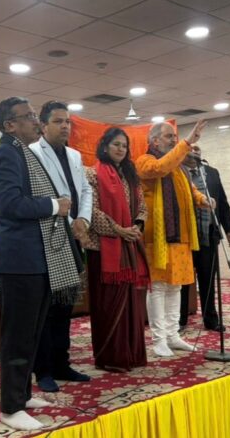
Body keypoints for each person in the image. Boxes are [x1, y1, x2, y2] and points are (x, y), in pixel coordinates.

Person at [0, 97, 82, 431]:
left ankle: (22, 395)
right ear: (10, 125)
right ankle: (10, 408)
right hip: (18, 260)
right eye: (27, 117)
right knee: (17, 336)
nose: (35, 122)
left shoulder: (23, 152)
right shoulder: (5, 154)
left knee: (32, 334)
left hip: (36, 259)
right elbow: (10, 204)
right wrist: (54, 205)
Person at [28, 101, 92, 392]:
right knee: (46, 307)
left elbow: (85, 190)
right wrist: (68, 221)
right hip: (47, 236)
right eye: (58, 121)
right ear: (43, 125)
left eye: (67, 121)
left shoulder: (74, 154)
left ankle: (61, 364)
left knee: (65, 304)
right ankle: (42, 370)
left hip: (73, 235)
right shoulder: (32, 153)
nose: (65, 126)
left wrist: (83, 219)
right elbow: (38, 196)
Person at [136, 120, 210, 357]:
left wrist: (202, 199)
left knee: (175, 286)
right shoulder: (145, 161)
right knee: (158, 287)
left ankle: (173, 335)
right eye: (169, 136)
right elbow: (160, 168)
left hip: (181, 235)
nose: (173, 140)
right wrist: (187, 143)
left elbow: (188, 189)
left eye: (175, 137)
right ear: (154, 140)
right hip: (157, 236)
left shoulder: (178, 166)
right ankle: (159, 339)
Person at [84, 127, 150, 372]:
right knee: (108, 305)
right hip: (102, 250)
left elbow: (142, 206)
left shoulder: (131, 176)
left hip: (129, 247)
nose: (121, 149)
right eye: (116, 144)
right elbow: (91, 211)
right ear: (105, 146)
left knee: (131, 305)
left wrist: (136, 226)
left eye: (124, 145)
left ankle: (131, 353)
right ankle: (110, 356)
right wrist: (120, 230)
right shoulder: (92, 173)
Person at [179, 145, 230, 332]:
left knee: (208, 278)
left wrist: (229, 229)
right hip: (184, 237)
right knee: (183, 280)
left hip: (208, 234)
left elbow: (222, 202)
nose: (193, 152)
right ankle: (180, 320)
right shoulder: (176, 173)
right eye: (190, 150)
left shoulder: (211, 173)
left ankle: (210, 319)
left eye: (197, 150)